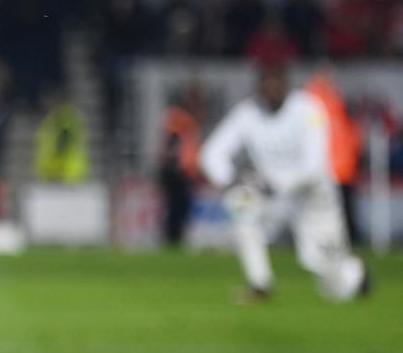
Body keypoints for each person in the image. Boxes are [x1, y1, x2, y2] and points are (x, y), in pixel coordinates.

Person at [200, 62, 370, 303]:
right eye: (266, 85)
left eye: (276, 84)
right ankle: (260, 284)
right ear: (258, 88)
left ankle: (355, 271)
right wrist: (230, 180)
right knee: (241, 204)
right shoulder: (248, 113)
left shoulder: (309, 109)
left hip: (313, 198)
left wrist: (275, 183)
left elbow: (314, 167)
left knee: (330, 280)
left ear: (286, 86)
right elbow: (211, 153)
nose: (271, 91)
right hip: (273, 196)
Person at [305, 72, 364, 246]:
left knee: (338, 210)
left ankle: (338, 241)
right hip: (331, 167)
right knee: (333, 210)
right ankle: (335, 241)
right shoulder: (318, 104)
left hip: (339, 167)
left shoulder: (333, 104)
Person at [158, 87, 204, 248]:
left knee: (179, 208)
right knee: (177, 208)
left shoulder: (183, 120)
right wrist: (175, 167)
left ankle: (175, 239)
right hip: (177, 172)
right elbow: (173, 143)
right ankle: (173, 240)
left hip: (181, 172)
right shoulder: (181, 119)